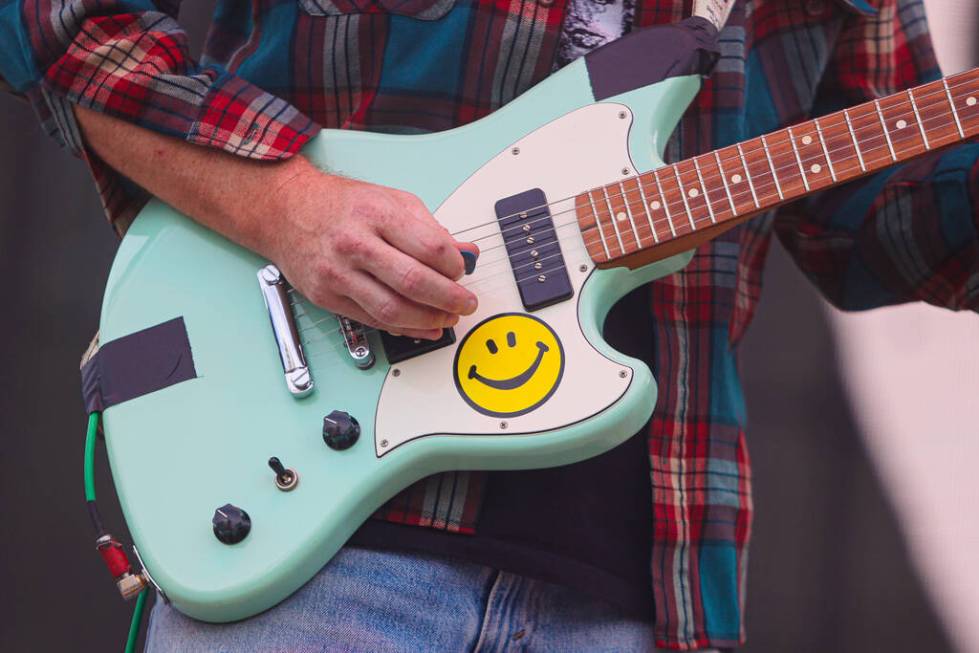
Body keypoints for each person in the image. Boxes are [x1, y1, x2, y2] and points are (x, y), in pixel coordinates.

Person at [1, 0, 976, 651]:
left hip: (645, 594)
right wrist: (286, 205)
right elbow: (53, 22)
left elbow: (881, 224)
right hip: (327, 557)